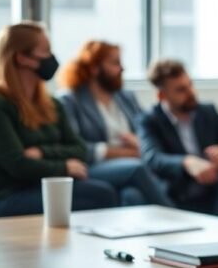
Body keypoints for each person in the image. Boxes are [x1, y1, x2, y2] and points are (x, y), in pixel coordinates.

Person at [0, 23, 119, 268]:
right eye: (44, 51)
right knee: (95, 197)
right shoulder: (0, 104)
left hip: (49, 189)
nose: (52, 59)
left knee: (102, 194)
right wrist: (60, 162)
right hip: (9, 198)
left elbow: (77, 148)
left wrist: (44, 154)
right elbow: (16, 164)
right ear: (21, 57)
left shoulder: (51, 103)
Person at [138, 59, 218, 220]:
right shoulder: (149, 120)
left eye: (190, 85)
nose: (190, 93)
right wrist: (186, 162)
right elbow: (152, 158)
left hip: (214, 187)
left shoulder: (207, 112)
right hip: (180, 193)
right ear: (162, 95)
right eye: (181, 90)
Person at [59, 40, 173, 206]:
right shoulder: (70, 100)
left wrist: (139, 142)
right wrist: (124, 152)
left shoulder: (126, 97)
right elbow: (75, 147)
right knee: (136, 168)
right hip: (94, 166)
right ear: (94, 68)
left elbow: (147, 133)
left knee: (132, 195)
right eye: (115, 63)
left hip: (133, 166)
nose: (122, 68)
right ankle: (174, 215)